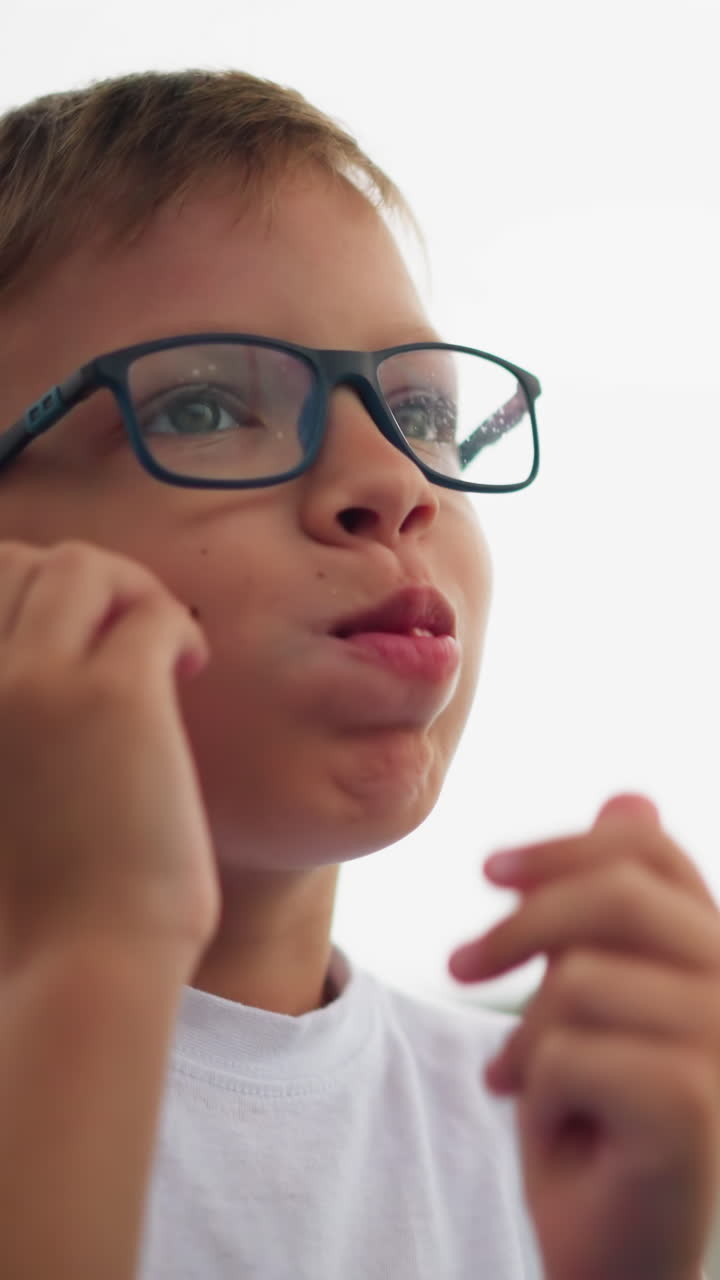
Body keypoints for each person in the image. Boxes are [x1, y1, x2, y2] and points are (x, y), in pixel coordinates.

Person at [0, 69, 715, 1280]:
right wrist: (90, 961)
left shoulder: (544, 1141)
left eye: (423, 410)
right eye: (210, 402)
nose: (396, 479)